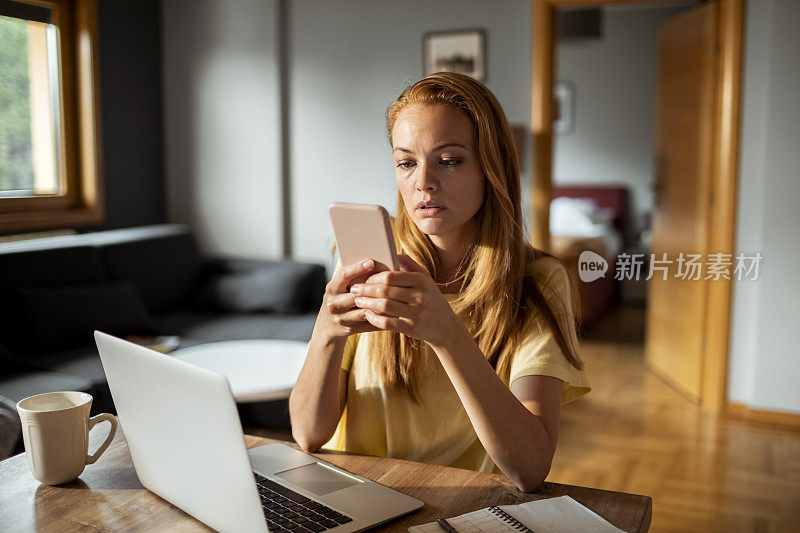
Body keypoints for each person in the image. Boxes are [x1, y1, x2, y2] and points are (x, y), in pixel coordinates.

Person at [289, 72, 590, 492]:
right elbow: (307, 434)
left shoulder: (538, 281)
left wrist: (448, 335)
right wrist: (326, 331)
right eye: (406, 162)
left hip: (453, 505)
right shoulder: (371, 261)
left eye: (449, 160)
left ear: (493, 166)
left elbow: (530, 467)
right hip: (354, 496)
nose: (423, 181)